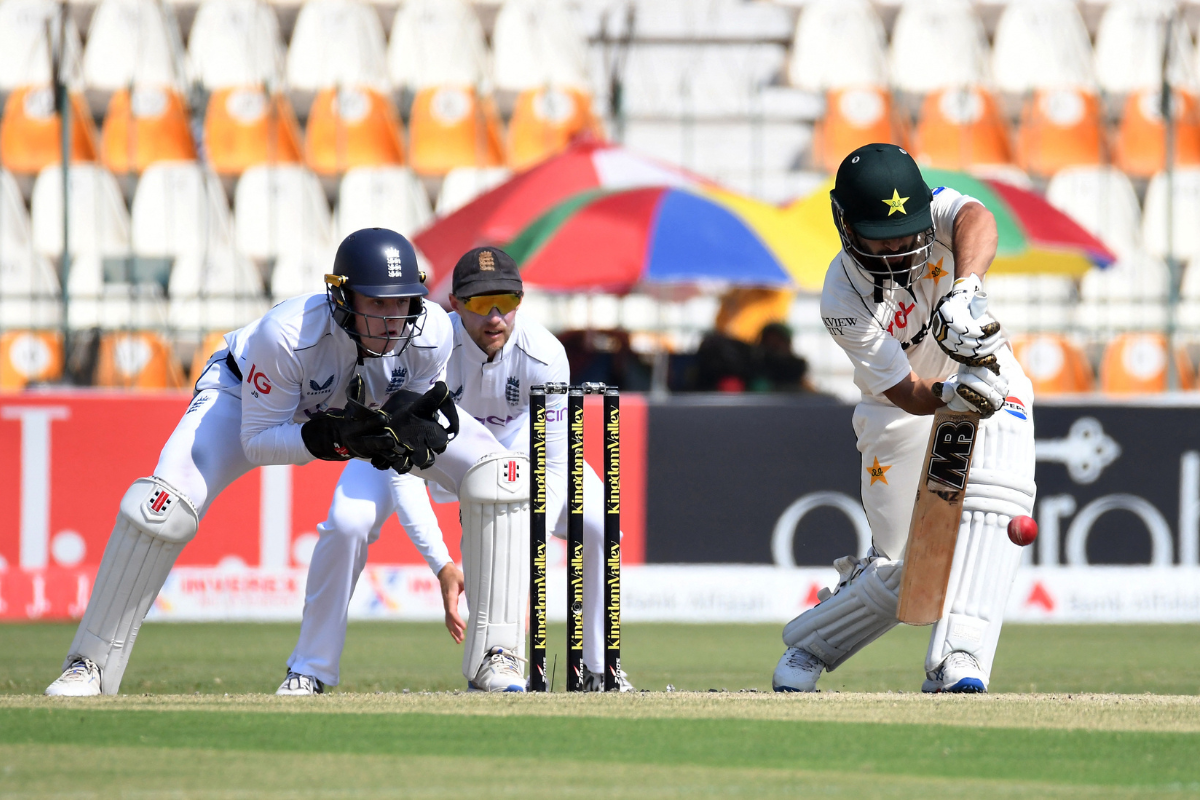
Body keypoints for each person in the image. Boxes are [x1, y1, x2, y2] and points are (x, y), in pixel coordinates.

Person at [45, 228, 456, 696]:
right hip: (243, 396)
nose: (391, 319)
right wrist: (337, 439)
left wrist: (402, 452)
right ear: (342, 297)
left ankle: (315, 673)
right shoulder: (284, 334)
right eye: (376, 304)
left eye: (401, 302)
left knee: (359, 519)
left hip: (349, 424)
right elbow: (259, 441)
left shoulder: (432, 335)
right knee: (161, 506)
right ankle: (89, 664)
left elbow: (403, 438)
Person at [280, 247, 635, 694]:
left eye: (505, 302)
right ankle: (310, 669)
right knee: (349, 523)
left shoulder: (545, 354)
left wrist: (525, 545)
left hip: (516, 454)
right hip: (417, 453)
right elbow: (401, 467)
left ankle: (598, 670)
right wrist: (443, 564)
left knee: (602, 523)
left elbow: (557, 463)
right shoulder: (428, 346)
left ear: (521, 301)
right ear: (453, 302)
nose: (493, 317)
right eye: (477, 303)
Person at [772, 143, 1036, 694]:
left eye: (906, 229)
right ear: (846, 225)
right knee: (906, 570)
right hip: (900, 410)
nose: (897, 245)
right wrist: (951, 391)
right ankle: (813, 641)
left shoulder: (940, 211)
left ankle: (959, 656)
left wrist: (967, 289)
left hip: (982, 366)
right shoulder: (842, 296)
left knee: (1000, 493)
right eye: (880, 234)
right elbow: (910, 393)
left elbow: (977, 217)